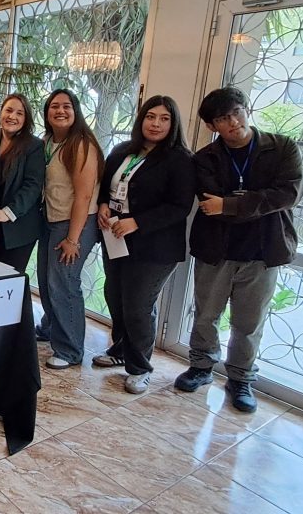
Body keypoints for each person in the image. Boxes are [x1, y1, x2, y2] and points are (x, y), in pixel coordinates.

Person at [174, 87, 303, 412]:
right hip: (216, 249)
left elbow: (288, 195)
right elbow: (209, 203)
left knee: (249, 322)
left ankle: (240, 378)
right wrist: (256, 202)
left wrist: (230, 204)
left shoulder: (281, 148)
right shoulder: (205, 158)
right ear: (212, 126)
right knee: (206, 315)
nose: (233, 122)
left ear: (247, 108)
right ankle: (201, 366)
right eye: (223, 118)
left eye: (236, 112)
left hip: (264, 251)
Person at [94, 96, 195, 394]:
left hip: (155, 246)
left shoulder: (180, 159)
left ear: (173, 124)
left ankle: (140, 368)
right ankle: (121, 349)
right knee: (115, 297)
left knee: (138, 306)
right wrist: (103, 204)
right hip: (116, 238)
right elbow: (105, 187)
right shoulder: (122, 151)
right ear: (141, 119)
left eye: (164, 119)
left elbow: (179, 206)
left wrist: (137, 222)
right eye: (151, 117)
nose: (156, 124)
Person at [35, 88, 104, 369]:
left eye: (66, 106)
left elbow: (84, 196)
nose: (60, 111)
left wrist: (73, 239)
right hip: (50, 220)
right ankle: (51, 327)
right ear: (47, 112)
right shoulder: (48, 141)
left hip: (74, 223)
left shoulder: (81, 144)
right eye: (54, 106)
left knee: (63, 283)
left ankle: (70, 349)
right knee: (45, 280)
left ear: (76, 111)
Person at [0, 93, 44, 273]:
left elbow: (33, 185)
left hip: (18, 228)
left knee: (8, 280)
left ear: (26, 119)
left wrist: (8, 212)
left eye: (19, 113)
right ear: (1, 112)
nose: (12, 116)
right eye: (9, 110)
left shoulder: (34, 146)